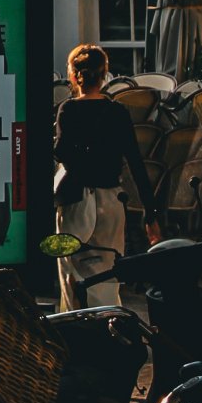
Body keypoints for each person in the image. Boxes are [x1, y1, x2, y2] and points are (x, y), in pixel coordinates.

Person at [54, 42, 162, 308]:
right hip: (110, 202)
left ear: (74, 76)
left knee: (71, 278)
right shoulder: (117, 112)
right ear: (104, 76)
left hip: (75, 201)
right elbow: (136, 163)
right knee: (107, 277)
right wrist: (151, 214)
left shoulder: (68, 110)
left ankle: (76, 327)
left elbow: (62, 153)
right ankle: (108, 325)